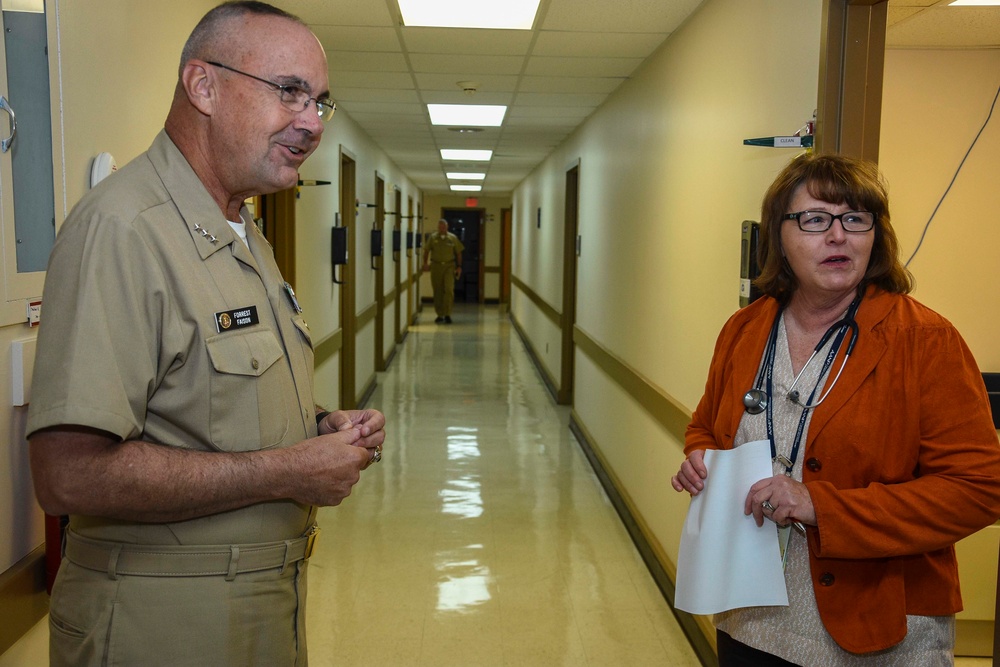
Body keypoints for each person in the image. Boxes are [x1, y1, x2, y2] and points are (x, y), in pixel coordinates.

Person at [26, 3, 385, 665]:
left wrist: (319, 427)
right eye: (290, 92)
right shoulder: (124, 230)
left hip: (262, 609)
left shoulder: (242, 232)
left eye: (320, 102)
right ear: (205, 86)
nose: (311, 123)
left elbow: (208, 401)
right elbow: (68, 475)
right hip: (158, 626)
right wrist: (289, 470)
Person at [671, 152, 1000, 665]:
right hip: (749, 616)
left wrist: (821, 507)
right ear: (779, 235)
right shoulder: (746, 330)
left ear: (876, 235)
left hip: (878, 632)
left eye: (855, 219)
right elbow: (706, 428)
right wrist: (699, 459)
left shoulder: (925, 341)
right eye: (815, 219)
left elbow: (978, 489)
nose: (838, 236)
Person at [422, 218, 464, 323]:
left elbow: (459, 253)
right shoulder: (432, 238)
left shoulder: (453, 238)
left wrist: (459, 266)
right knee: (438, 291)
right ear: (438, 227)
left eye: (444, 227)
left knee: (449, 290)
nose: (442, 229)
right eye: (440, 227)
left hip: (449, 266)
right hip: (436, 266)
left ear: (447, 226)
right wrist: (425, 263)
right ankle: (440, 314)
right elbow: (426, 251)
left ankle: (447, 313)